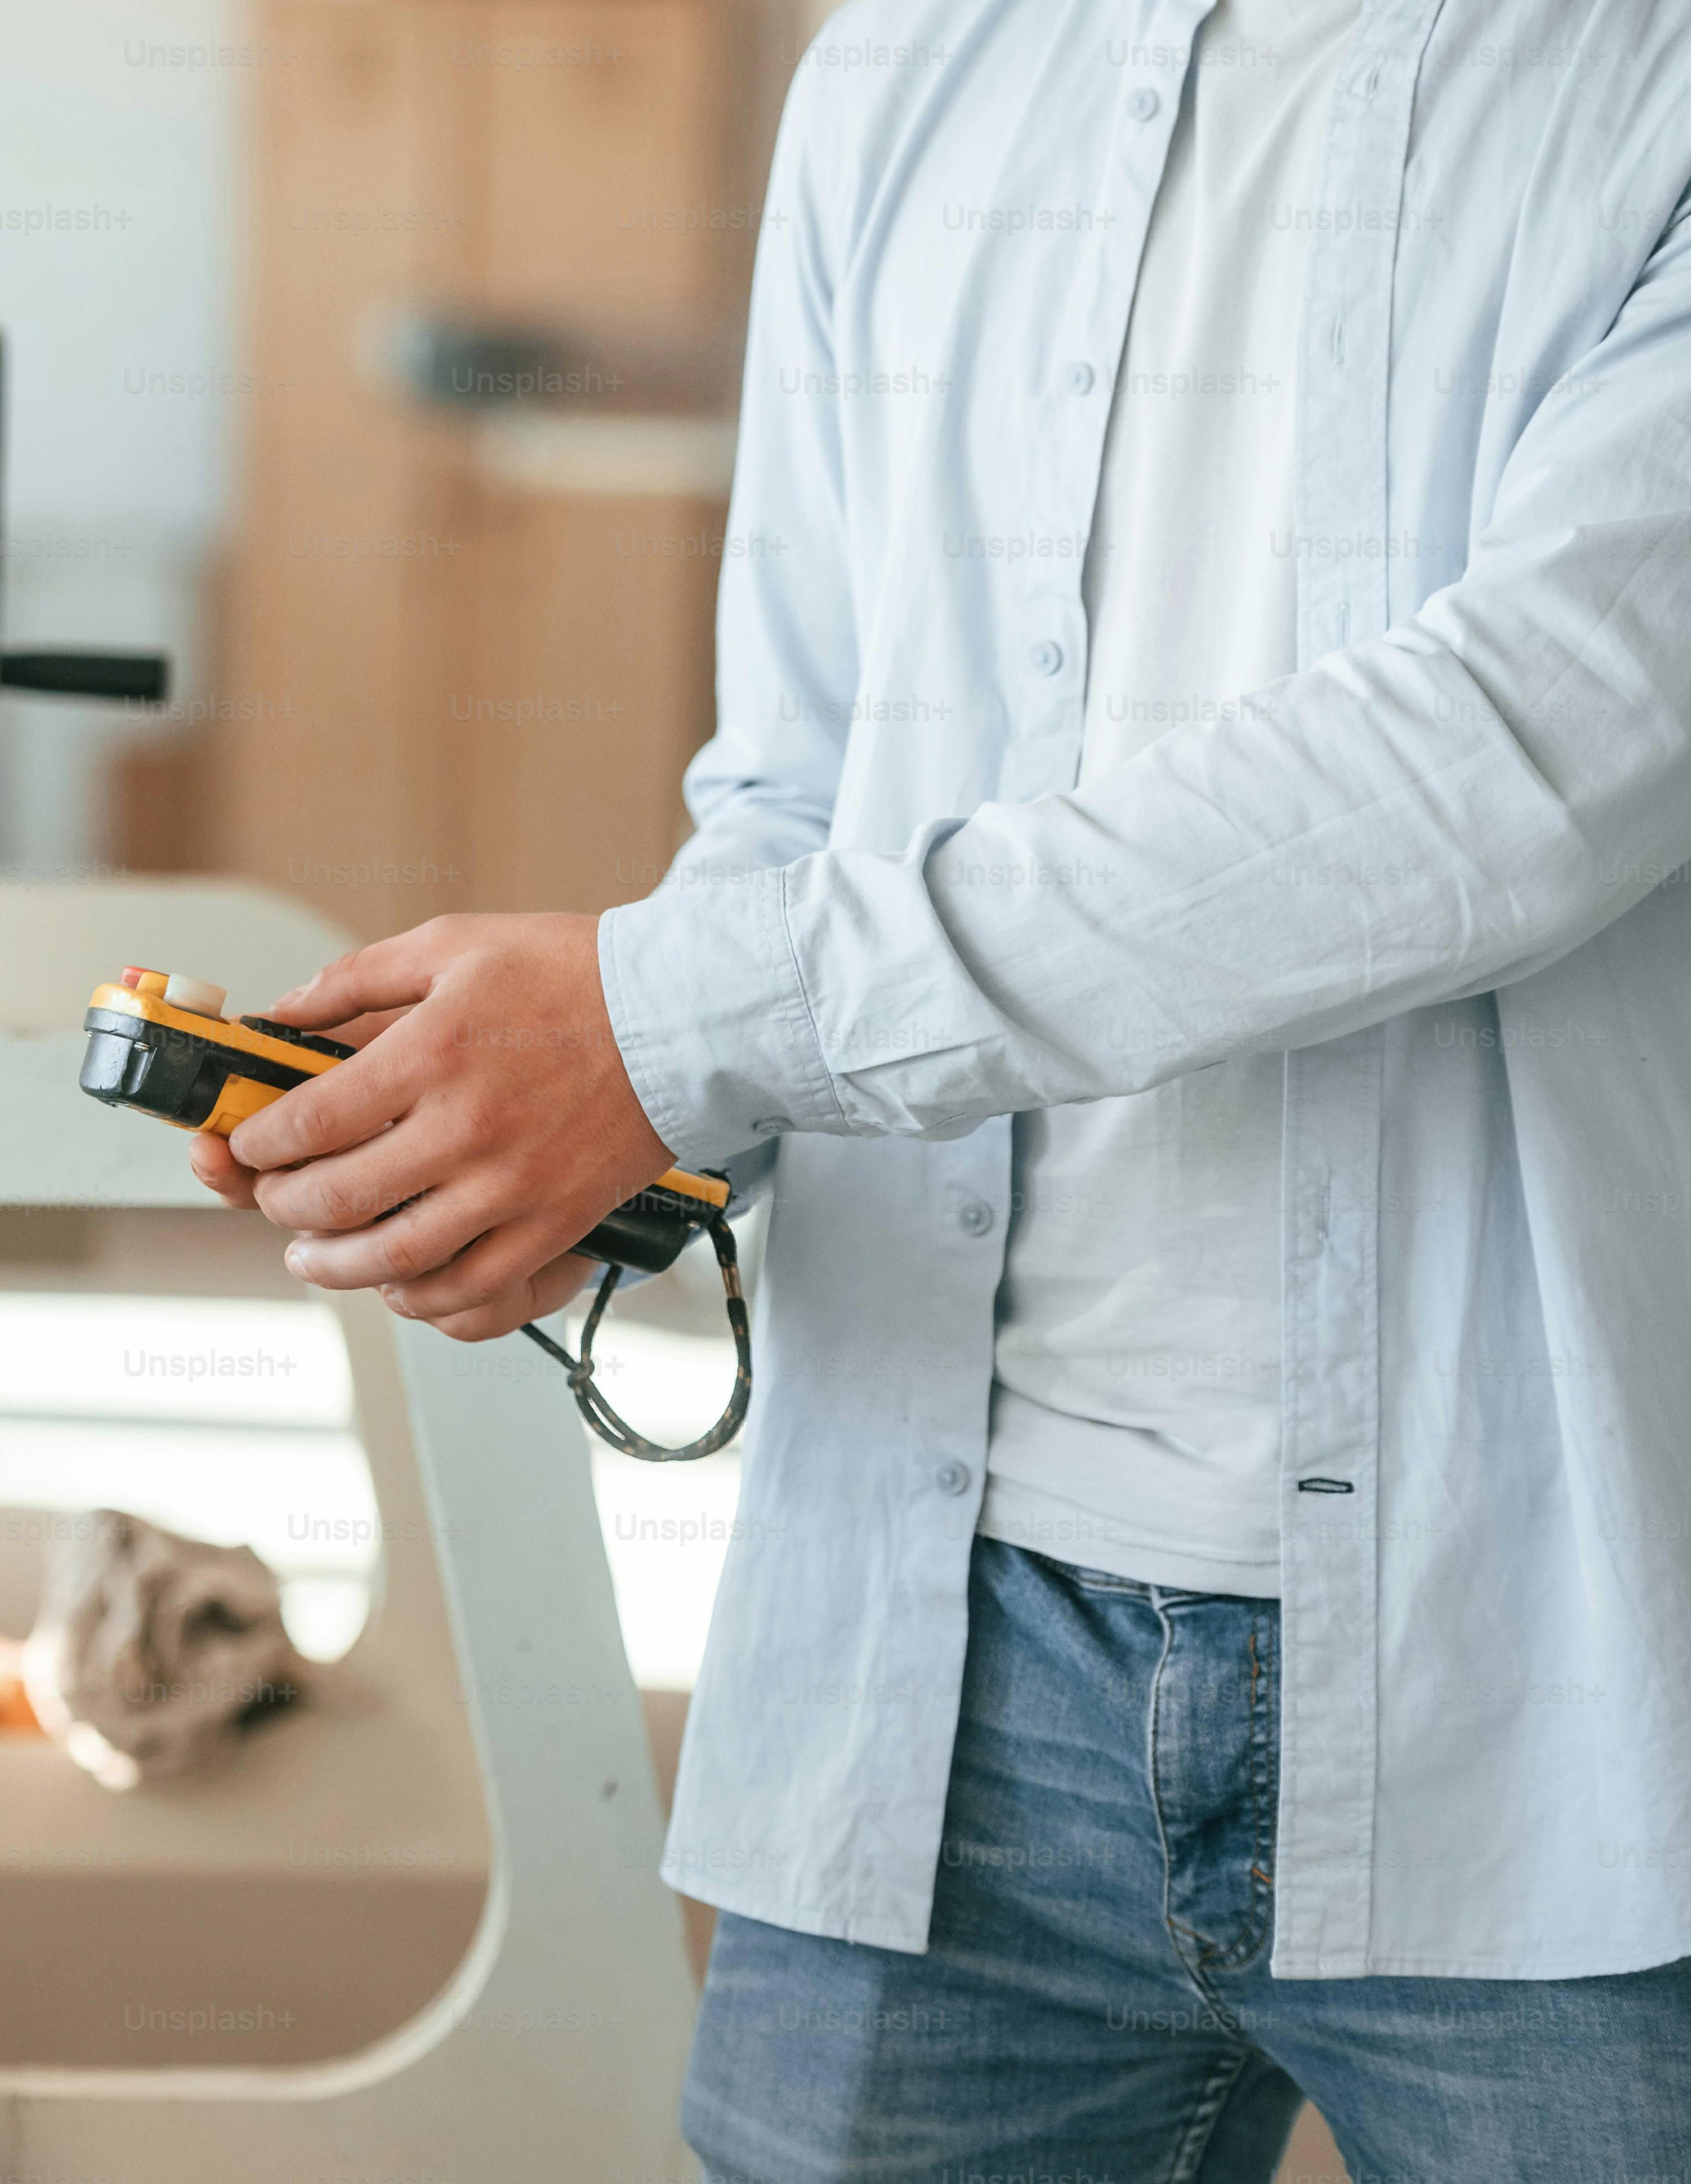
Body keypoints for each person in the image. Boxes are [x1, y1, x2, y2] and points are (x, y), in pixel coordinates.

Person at [191, 0, 1691, 2173]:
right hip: (950, 1659)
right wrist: (547, 1121)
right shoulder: (912, 64)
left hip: (1556, 1662)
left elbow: (1517, 763)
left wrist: (674, 1024)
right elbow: (804, 785)